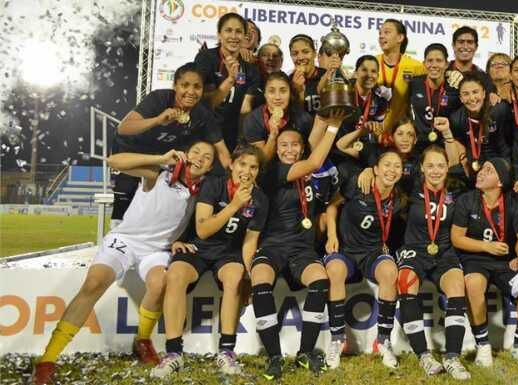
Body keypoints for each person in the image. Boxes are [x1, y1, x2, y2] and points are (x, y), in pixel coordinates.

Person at [32, 142, 217, 385]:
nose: (199, 159)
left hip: (157, 250)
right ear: (185, 154)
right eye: (196, 152)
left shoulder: (204, 190)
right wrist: (160, 157)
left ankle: (142, 340)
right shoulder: (158, 174)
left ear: (210, 167)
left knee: (160, 282)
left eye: (207, 157)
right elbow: (114, 161)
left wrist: (179, 240)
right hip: (125, 240)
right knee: (93, 283)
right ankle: (47, 360)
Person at [151, 145, 267, 378]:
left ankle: (226, 351)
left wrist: (250, 272)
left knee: (235, 277)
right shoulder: (214, 184)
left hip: (229, 254)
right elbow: (203, 230)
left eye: (253, 167)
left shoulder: (261, 200)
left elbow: (249, 242)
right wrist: (234, 204)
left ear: (258, 171)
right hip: (199, 247)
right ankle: (173, 353)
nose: (247, 170)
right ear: (232, 165)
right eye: (242, 164)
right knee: (175, 274)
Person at [248, 110, 348, 379]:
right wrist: (332, 127)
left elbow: (326, 200)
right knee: (260, 281)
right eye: (284, 145)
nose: (290, 149)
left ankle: (305, 352)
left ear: (302, 147)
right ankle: (274, 357)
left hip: (302, 249)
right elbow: (315, 162)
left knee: (320, 282)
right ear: (276, 149)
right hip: (273, 246)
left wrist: (329, 228)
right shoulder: (274, 171)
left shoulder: (308, 178)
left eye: (295, 145)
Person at [111, 63, 231, 227]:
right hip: (132, 149)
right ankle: (118, 229)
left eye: (197, 87)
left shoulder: (202, 113)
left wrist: (231, 182)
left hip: (160, 156)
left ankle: (156, 230)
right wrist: (157, 120)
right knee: (125, 193)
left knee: (156, 192)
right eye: (184, 85)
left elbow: (222, 152)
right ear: (175, 85)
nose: (191, 91)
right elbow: (123, 128)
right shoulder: (159, 99)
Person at [451, 158, 518, 370]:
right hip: (475, 258)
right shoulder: (467, 200)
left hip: (504, 262)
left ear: (500, 181)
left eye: (488, 170)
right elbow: (457, 238)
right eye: (482, 168)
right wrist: (486, 246)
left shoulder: (513, 204)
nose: (481, 172)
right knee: (473, 284)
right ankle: (483, 345)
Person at [394, 146, 471, 380]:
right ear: (421, 168)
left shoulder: (457, 190)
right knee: (406, 282)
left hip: (445, 252)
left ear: (448, 167)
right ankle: (424, 356)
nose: (435, 171)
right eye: (430, 165)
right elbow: (387, 175)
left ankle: (452, 357)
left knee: (457, 285)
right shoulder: (410, 187)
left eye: (440, 165)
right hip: (415, 251)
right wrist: (368, 171)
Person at [323, 151, 405, 369]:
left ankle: (384, 341)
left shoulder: (400, 199)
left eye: (397, 166)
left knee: (390, 271)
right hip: (347, 249)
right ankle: (338, 339)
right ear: (375, 169)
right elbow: (332, 206)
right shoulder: (358, 184)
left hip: (373, 252)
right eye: (387, 165)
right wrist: (331, 234)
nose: (392, 170)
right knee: (334, 271)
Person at [193, 13, 263, 153]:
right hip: (203, 132)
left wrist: (242, 141)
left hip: (230, 135)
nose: (233, 36)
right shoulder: (206, 58)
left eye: (238, 32)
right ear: (219, 34)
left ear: (244, 36)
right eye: (228, 30)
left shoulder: (251, 70)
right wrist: (230, 79)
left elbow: (245, 109)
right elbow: (207, 103)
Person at [446, 74, 512, 179]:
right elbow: (461, 146)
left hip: (500, 166)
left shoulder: (499, 110)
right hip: (473, 169)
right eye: (466, 94)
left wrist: (505, 169)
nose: (472, 98)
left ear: (484, 94)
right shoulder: (456, 119)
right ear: (461, 98)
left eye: (475, 92)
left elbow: (509, 141)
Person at [332, 55, 392, 168]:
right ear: (356, 73)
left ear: (378, 75)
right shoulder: (342, 93)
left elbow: (377, 131)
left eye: (373, 71)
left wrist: (373, 128)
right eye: (364, 70)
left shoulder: (381, 101)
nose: (369, 75)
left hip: (362, 150)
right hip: (338, 150)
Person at [243, 71, 314, 162]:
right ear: (265, 94)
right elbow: (261, 162)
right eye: (271, 91)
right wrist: (273, 135)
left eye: (283, 91)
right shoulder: (253, 120)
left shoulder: (303, 118)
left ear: (290, 93)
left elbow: (309, 154)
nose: (277, 97)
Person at [407, 44, 462, 155]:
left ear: (446, 64)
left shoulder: (454, 86)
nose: (434, 65)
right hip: (419, 143)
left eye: (439, 61)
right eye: (430, 61)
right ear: (424, 64)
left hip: (446, 142)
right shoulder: (414, 83)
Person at [376, 19, 426, 133]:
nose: (381, 36)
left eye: (387, 32)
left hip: (401, 133)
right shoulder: (371, 63)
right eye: (380, 33)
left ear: (400, 38)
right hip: (373, 131)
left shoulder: (416, 67)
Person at [447, 26, 495, 93]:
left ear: (476, 47)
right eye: (461, 42)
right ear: (453, 45)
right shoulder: (442, 73)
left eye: (470, 42)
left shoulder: (484, 78)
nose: (465, 46)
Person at [289, 34, 326, 115]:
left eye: (305, 52)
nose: (300, 57)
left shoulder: (326, 76)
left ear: (314, 54)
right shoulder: (287, 82)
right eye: (295, 53)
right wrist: (297, 93)